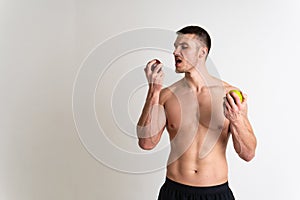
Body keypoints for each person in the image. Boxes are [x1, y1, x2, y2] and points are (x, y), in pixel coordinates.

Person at [136, 25, 257, 200]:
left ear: (202, 52)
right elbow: (146, 142)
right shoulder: (167, 96)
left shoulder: (229, 94)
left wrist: (236, 119)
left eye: (184, 47)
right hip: (174, 191)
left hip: (215, 193)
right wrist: (154, 90)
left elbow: (248, 153)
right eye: (175, 46)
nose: (176, 52)